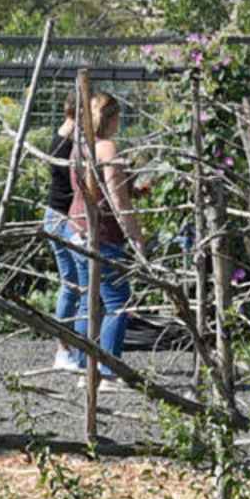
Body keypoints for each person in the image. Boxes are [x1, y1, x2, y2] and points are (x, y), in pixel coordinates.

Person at [55, 88, 143, 375]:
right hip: (101, 234)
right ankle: (107, 372)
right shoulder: (106, 148)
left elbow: (97, 189)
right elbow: (118, 200)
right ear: (111, 118)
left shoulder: (79, 144)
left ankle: (83, 366)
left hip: (75, 227)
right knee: (118, 302)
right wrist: (136, 238)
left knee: (88, 298)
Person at [40, 88, 89, 362]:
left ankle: (66, 350)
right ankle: (71, 352)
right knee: (78, 286)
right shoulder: (68, 144)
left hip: (55, 215)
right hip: (64, 218)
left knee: (71, 284)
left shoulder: (60, 137)